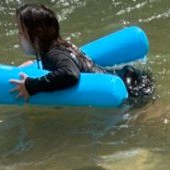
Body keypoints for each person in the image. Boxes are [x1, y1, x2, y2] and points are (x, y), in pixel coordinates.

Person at [11, 4, 153, 104]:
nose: (19, 37)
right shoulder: (59, 45)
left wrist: (31, 86)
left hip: (128, 89)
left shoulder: (53, 55)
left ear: (37, 35)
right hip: (128, 77)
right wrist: (36, 65)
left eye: (21, 32)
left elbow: (70, 74)